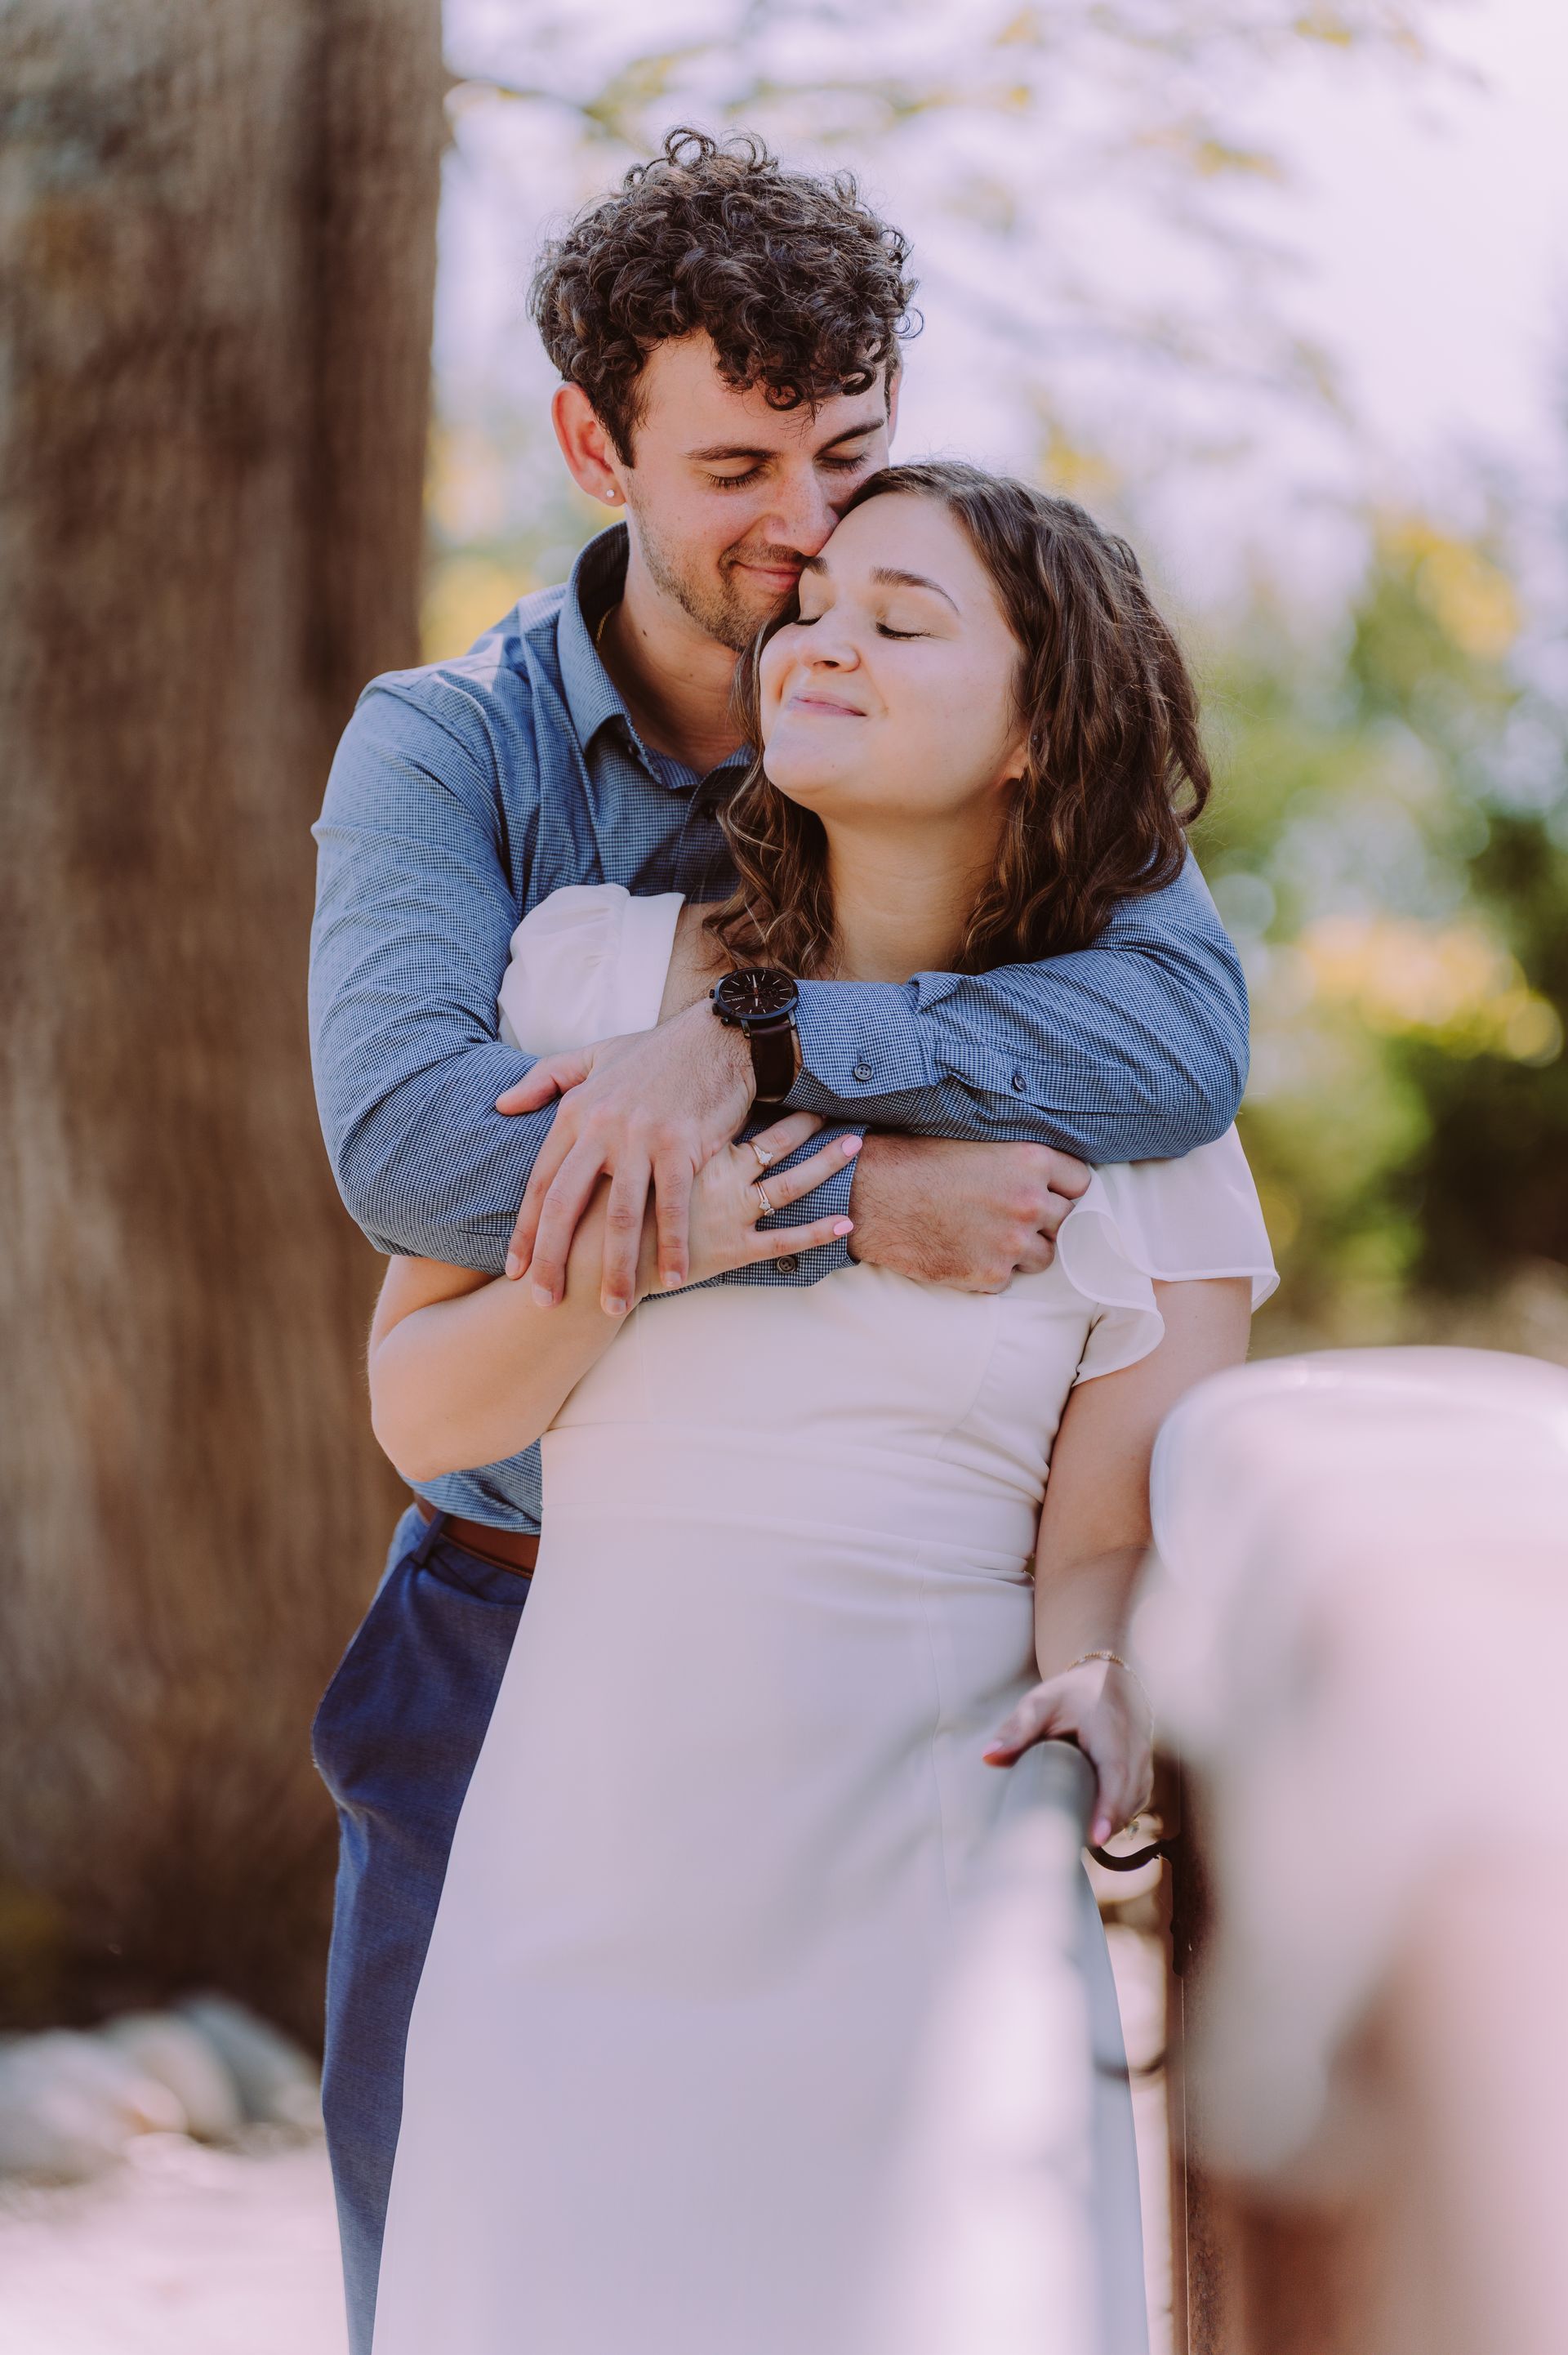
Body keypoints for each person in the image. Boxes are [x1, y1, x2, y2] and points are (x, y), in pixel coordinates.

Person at [307, 132, 1250, 2350]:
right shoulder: (462, 763)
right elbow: (425, 1156)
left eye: (849, 454)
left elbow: (1175, 1057)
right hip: (511, 1609)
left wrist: (744, 1038)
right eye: (738, 466)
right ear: (589, 442)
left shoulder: (1028, 712)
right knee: (457, 2267)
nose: (809, 535)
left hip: (894, 1689)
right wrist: (865, 1200)